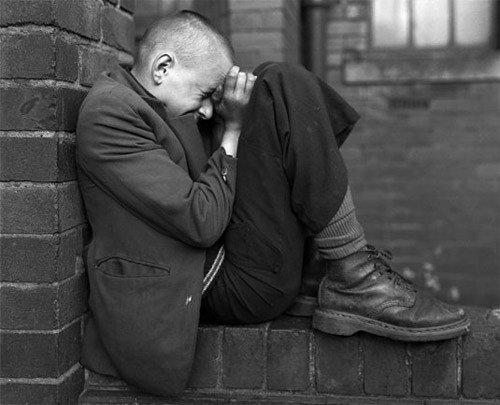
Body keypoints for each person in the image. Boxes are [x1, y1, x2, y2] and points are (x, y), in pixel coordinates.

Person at [76, 10, 469, 397]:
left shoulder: (159, 103)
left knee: (272, 82)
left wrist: (240, 114)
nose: (209, 109)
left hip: (228, 258)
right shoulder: (112, 112)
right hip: (209, 285)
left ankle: (343, 266)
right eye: (205, 95)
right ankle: (353, 275)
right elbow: (201, 220)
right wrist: (231, 130)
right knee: (280, 83)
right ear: (162, 68)